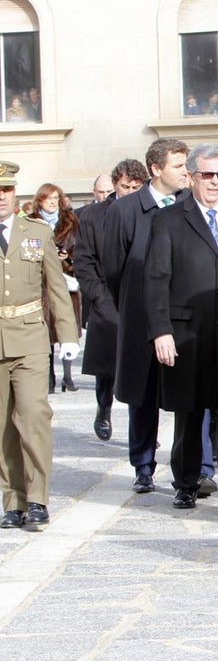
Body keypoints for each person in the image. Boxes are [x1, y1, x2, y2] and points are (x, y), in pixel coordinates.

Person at [143, 143, 218, 515]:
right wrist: (161, 331)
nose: (215, 181)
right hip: (186, 331)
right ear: (192, 177)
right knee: (190, 410)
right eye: (207, 175)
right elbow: (156, 278)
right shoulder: (169, 219)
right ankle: (186, 482)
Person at [103, 139, 215, 496]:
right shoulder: (125, 210)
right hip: (140, 319)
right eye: (179, 166)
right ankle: (143, 465)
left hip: (184, 319)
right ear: (156, 169)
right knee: (143, 394)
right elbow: (113, 269)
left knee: (191, 397)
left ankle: (199, 468)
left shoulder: (191, 205)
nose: (186, 172)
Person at [0, 161, 79, 530]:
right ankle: (12, 500)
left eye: (6, 190)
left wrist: (68, 335)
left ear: (15, 192)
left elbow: (56, 286)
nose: (1, 197)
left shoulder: (35, 231)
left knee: (33, 416)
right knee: (3, 425)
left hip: (30, 336)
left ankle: (37, 499)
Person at [74, 161, 146, 440]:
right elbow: (84, 260)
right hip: (107, 298)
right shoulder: (94, 215)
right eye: (125, 186)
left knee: (140, 368)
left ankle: (142, 427)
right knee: (108, 364)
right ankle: (103, 407)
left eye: (136, 187)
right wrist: (98, 296)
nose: (130, 192)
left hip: (141, 298)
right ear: (116, 184)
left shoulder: (150, 211)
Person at [29, 183, 81, 393]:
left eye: (55, 198)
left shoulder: (71, 222)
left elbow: (81, 251)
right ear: (39, 200)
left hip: (66, 283)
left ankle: (67, 375)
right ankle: (49, 377)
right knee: (46, 332)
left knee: (66, 329)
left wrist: (67, 258)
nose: (52, 202)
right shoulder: (30, 222)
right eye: (48, 198)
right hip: (40, 287)